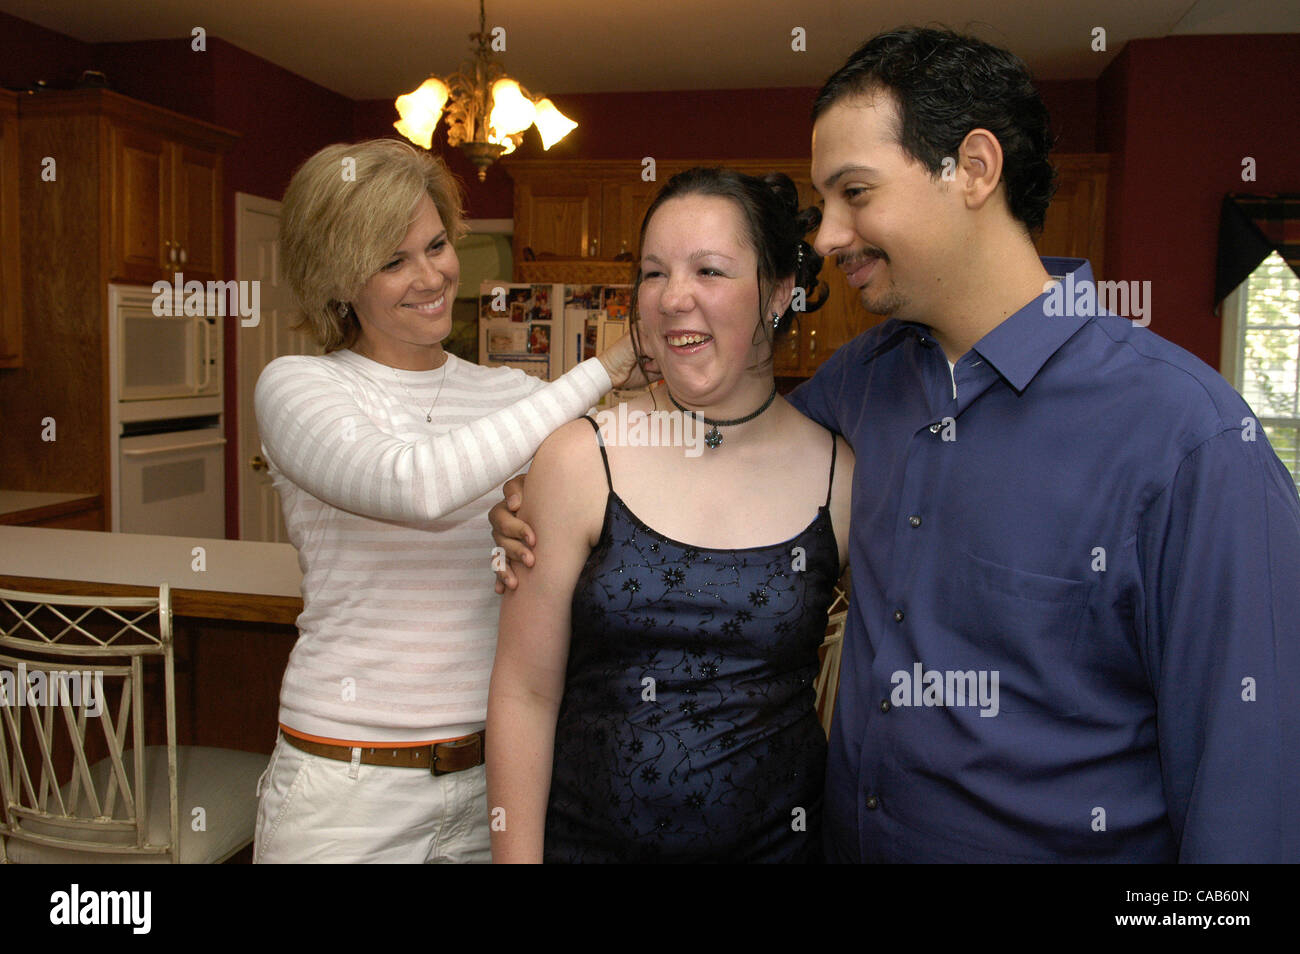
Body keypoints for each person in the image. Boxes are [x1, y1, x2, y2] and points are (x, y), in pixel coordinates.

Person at [492, 28, 1300, 863]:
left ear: (975, 171)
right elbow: (714, 449)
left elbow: (1251, 797)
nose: (831, 236)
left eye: (855, 192)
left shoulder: (1191, 440)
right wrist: (530, 504)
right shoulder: (860, 388)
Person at [251, 138, 642, 863]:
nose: (431, 276)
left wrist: (523, 518)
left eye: (436, 245)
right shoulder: (298, 388)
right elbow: (419, 486)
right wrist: (606, 367)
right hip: (347, 791)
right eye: (393, 261)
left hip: (493, 782)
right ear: (339, 281)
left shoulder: (512, 398)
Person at [485, 168, 854, 863]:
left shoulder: (840, 477)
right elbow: (523, 695)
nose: (674, 297)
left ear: (778, 294)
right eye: (654, 273)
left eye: (709, 270)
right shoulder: (578, 459)